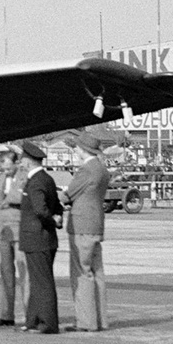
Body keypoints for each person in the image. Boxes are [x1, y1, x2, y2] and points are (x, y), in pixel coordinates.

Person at [61, 131, 111, 331]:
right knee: (96, 272)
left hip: (81, 225)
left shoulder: (85, 170)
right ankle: (100, 320)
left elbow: (67, 195)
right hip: (96, 223)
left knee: (81, 273)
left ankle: (86, 321)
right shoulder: (102, 169)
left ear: (82, 150)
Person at [19, 140, 64, 333]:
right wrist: (58, 218)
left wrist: (53, 220)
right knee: (38, 280)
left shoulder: (35, 182)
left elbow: (40, 210)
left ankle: (48, 323)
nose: (20, 163)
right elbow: (56, 206)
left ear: (28, 162)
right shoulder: (47, 179)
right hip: (45, 238)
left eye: (22, 160)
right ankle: (33, 320)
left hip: (37, 238)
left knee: (42, 281)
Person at [0, 144, 27, 327]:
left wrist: (8, 196)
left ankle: (29, 312)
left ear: (15, 163)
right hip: (3, 230)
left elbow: (22, 199)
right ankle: (6, 314)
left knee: (24, 272)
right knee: (6, 272)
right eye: (3, 166)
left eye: (8, 166)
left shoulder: (24, 177)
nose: (6, 169)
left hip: (19, 227)